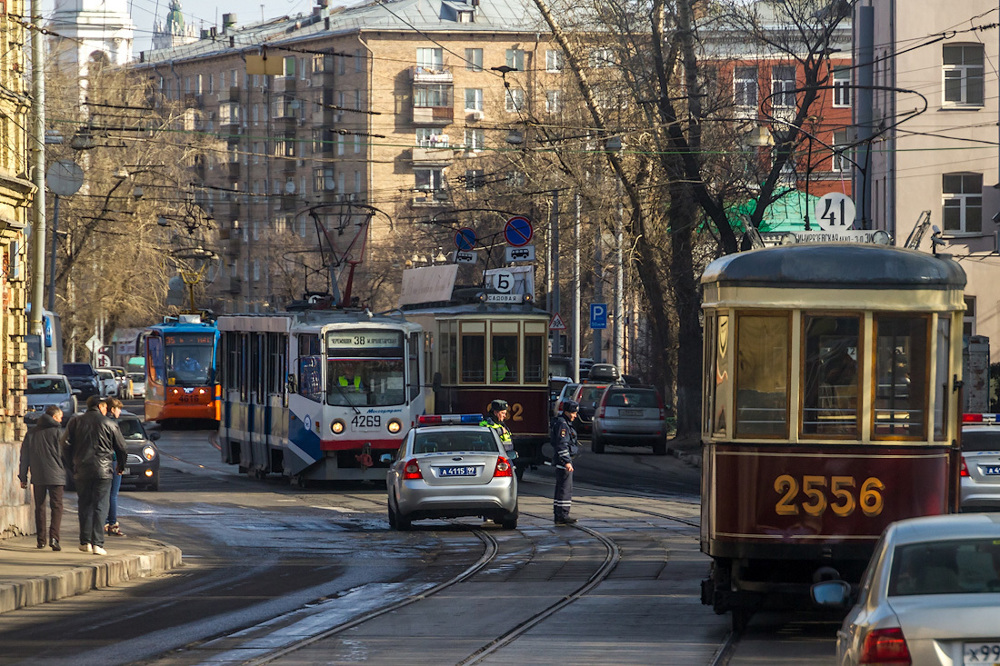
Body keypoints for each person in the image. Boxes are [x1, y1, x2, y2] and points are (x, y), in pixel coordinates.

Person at [62, 394, 127, 555]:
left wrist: (71, 464)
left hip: (82, 470)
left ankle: (85, 542)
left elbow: (64, 444)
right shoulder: (109, 424)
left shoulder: (75, 422)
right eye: (105, 406)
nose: (106, 409)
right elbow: (122, 448)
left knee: (84, 505)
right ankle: (97, 543)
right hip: (103, 471)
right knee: (100, 505)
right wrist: (121, 465)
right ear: (100, 407)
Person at [18, 405, 66, 551]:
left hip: (38, 475)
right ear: (54, 417)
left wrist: (23, 476)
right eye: (60, 417)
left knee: (40, 507)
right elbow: (65, 454)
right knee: (56, 507)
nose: (61, 420)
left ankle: (41, 540)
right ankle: (54, 538)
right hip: (57, 475)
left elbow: (24, 456)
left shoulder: (32, 433)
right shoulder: (59, 433)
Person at [551, 400, 580, 525]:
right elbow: (562, 444)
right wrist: (567, 462)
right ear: (567, 412)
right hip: (563, 463)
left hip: (562, 462)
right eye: (573, 413)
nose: (575, 416)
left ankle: (559, 513)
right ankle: (562, 514)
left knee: (561, 488)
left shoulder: (563, 423)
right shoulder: (563, 425)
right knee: (565, 489)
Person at [103, 397, 127, 537]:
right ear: (113, 409)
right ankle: (112, 523)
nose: (120, 411)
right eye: (119, 409)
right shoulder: (113, 424)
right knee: (113, 495)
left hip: (101, 462)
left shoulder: (100, 422)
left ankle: (104, 522)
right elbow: (121, 447)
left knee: (104, 494)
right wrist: (121, 464)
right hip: (113, 460)